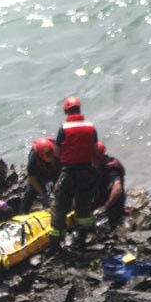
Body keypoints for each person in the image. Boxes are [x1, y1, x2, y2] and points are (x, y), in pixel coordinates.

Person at [49, 96, 98, 250]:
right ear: (80, 109)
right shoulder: (91, 127)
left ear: (66, 111)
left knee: (60, 206)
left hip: (69, 172)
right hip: (86, 171)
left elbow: (57, 153)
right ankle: (82, 237)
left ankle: (56, 242)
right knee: (83, 204)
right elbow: (95, 151)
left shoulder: (64, 128)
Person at [19, 137, 61, 214]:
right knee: (29, 193)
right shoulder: (34, 159)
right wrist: (44, 196)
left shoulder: (59, 151)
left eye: (52, 153)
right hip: (41, 172)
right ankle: (22, 213)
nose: (52, 156)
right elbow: (32, 180)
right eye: (49, 155)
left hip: (57, 170)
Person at [93, 141, 126, 224]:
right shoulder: (93, 167)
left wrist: (105, 208)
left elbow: (118, 189)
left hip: (112, 206)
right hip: (97, 200)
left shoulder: (112, 169)